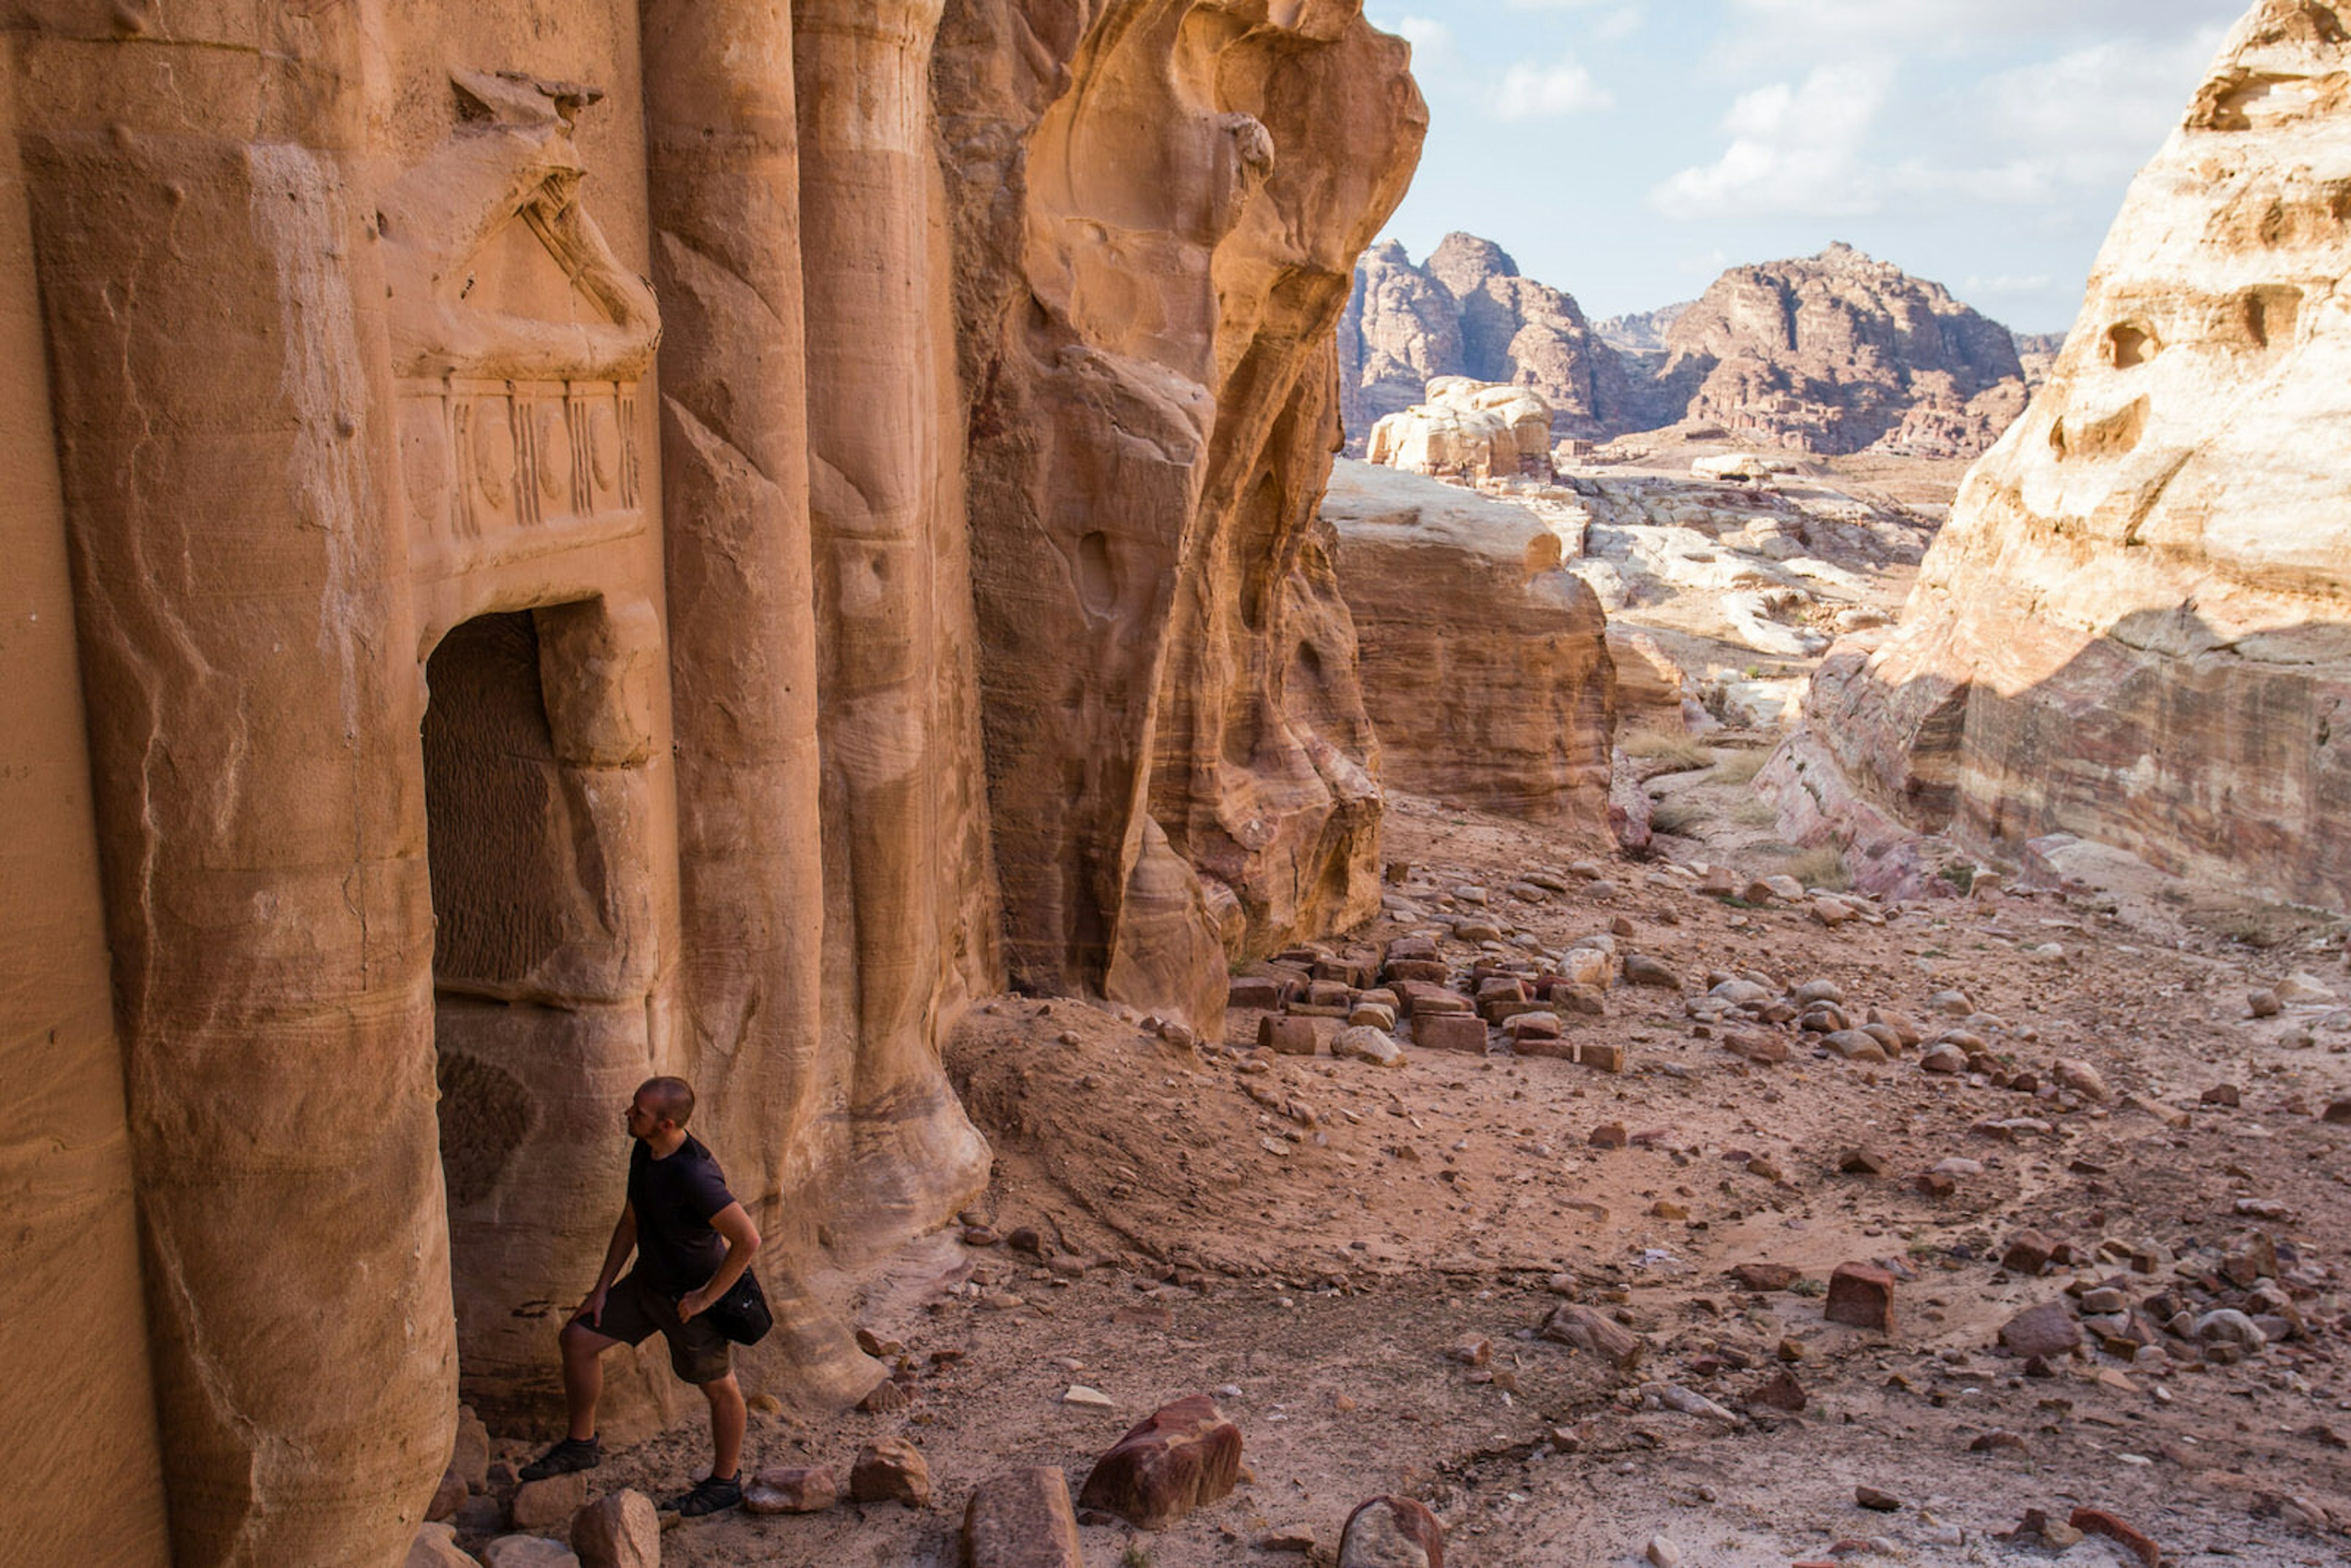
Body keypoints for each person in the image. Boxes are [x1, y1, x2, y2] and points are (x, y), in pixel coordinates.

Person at [519, 1076, 761, 1517]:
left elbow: (748, 1239)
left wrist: (705, 1299)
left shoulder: (695, 1174)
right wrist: (601, 1289)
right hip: (647, 1284)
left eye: (639, 1112)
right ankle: (581, 1443)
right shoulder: (646, 1152)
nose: (629, 1115)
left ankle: (725, 1481)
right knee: (577, 1339)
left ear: (666, 1123)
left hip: (689, 1301)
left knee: (721, 1389)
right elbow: (631, 1220)